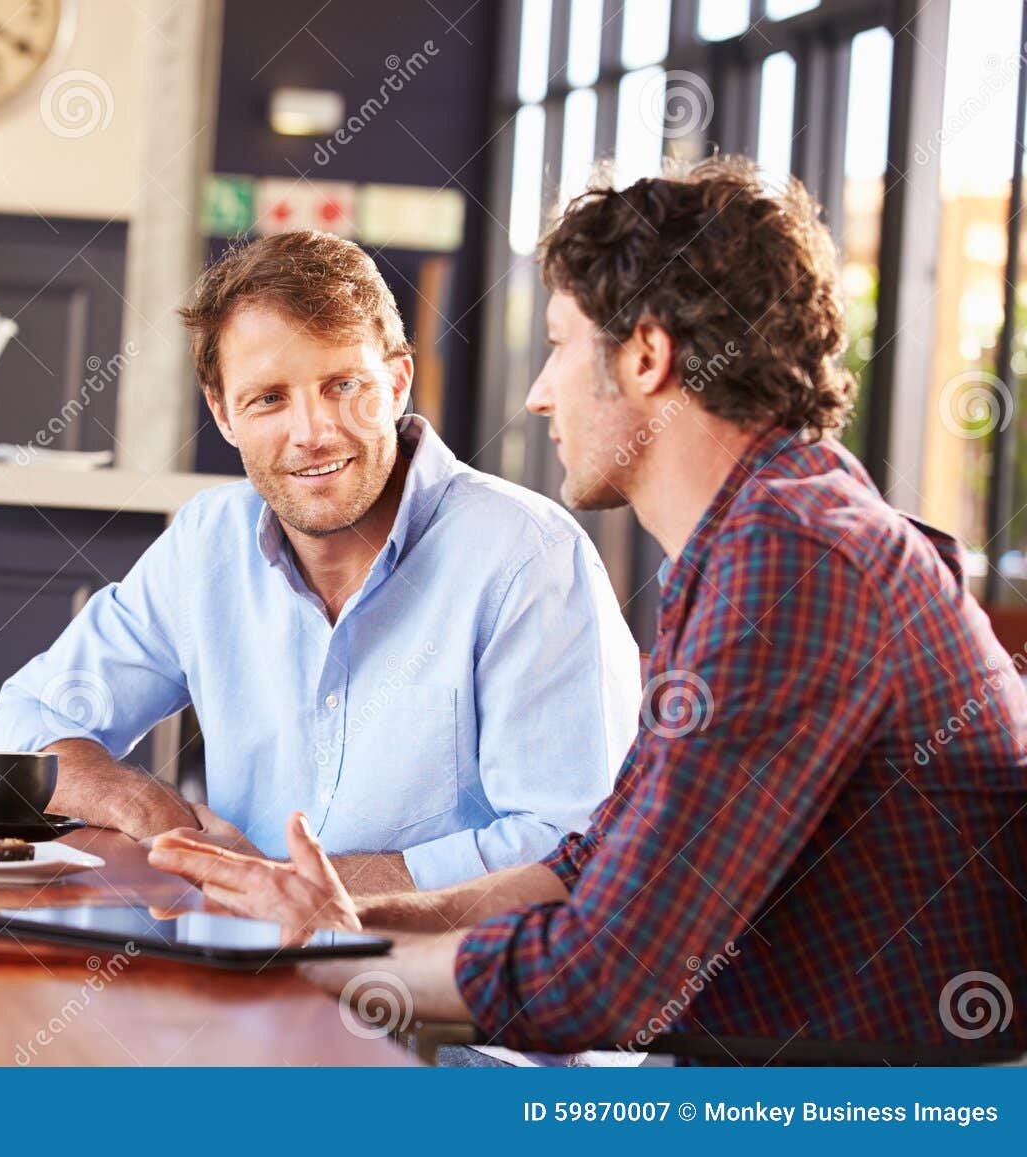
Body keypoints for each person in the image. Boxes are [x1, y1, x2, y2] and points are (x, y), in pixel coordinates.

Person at [149, 158, 1027, 1061]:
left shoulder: (793, 560)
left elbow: (603, 978)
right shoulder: (765, 535)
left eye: (562, 345)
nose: (539, 392)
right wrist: (346, 922)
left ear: (646, 356)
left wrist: (338, 965)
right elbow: (588, 870)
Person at [0, 230, 641, 893]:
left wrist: (297, 885)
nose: (312, 432)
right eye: (269, 398)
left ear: (399, 380)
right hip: (238, 967)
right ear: (223, 412)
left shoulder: (529, 556)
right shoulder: (209, 540)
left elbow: (575, 842)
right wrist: (148, 810)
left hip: (437, 981)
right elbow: (19, 727)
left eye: (343, 384)